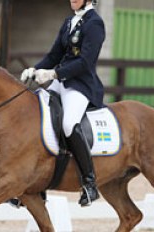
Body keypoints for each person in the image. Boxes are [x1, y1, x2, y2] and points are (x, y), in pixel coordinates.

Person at [21, 0, 105, 206]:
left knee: (68, 124)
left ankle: (90, 183)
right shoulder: (69, 22)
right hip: (61, 82)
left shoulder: (95, 23)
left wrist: (54, 73)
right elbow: (54, 55)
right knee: (38, 114)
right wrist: (35, 69)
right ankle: (37, 180)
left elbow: (85, 62)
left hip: (81, 85)